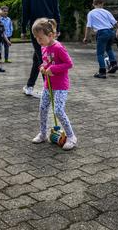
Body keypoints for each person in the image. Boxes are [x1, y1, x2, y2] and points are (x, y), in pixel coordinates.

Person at [30, 18, 77, 150]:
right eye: (36, 38)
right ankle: (43, 133)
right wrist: (42, 67)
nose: (38, 41)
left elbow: (69, 64)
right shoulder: (44, 47)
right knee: (43, 109)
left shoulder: (58, 47)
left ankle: (71, 136)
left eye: (40, 38)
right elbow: (46, 62)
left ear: (50, 35)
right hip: (48, 85)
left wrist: (53, 69)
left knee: (58, 110)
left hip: (60, 86)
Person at [21, 0, 60, 97]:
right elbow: (56, 10)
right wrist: (57, 27)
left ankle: (48, 91)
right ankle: (30, 86)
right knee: (38, 57)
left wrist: (23, 29)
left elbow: (25, 10)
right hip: (50, 27)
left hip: (37, 28)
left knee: (42, 58)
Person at [83, 0, 118, 79]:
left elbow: (88, 26)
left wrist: (86, 37)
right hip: (111, 32)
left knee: (100, 53)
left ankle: (102, 72)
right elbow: (114, 22)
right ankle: (114, 64)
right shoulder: (106, 12)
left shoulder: (91, 13)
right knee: (109, 48)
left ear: (93, 4)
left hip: (102, 33)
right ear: (102, 4)